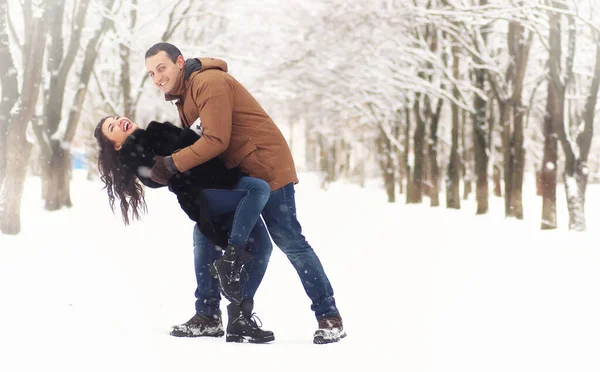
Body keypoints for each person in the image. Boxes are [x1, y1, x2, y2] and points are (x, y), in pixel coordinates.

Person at [144, 42, 346, 344]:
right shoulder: (184, 96)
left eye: (161, 68)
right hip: (238, 176)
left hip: (266, 166)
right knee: (206, 231)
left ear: (179, 62)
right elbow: (196, 142)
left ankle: (329, 316)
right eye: (151, 73)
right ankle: (212, 315)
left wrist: (172, 164)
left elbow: (215, 140)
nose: (157, 77)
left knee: (288, 239)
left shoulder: (207, 82)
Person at [94, 116, 275, 343]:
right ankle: (227, 270)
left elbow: (188, 148)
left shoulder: (156, 131)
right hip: (207, 192)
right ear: (117, 144)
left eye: (117, 117)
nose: (120, 121)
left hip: (224, 182)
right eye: (112, 127)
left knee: (259, 246)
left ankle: (230, 315)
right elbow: (166, 169)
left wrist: (193, 135)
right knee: (257, 189)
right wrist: (190, 137)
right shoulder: (136, 152)